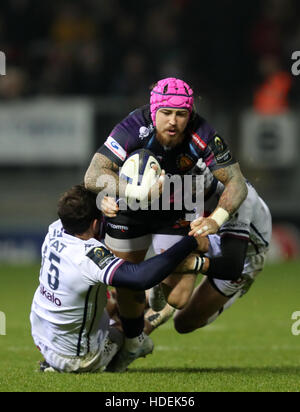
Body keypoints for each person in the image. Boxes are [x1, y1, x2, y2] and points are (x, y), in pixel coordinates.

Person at [84, 77, 248, 370]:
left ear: (190, 113)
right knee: (128, 283)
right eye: (166, 113)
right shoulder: (133, 127)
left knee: (180, 298)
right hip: (131, 207)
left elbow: (236, 181)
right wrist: (132, 192)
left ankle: (157, 283)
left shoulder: (203, 133)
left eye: (181, 114)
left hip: (178, 206)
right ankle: (134, 342)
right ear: (154, 109)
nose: (173, 121)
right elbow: (94, 174)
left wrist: (217, 220)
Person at [30, 184, 206, 373]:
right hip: (77, 357)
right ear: (96, 224)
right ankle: (137, 342)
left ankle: (148, 302)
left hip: (42, 335)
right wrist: (190, 242)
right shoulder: (87, 256)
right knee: (128, 303)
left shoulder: (54, 229)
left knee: (114, 299)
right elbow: (139, 278)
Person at [147, 162, 272, 335]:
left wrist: (192, 264)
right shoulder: (184, 189)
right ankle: (139, 325)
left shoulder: (238, 197)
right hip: (209, 237)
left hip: (244, 255)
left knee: (184, 323)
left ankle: (160, 294)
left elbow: (232, 265)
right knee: (187, 249)